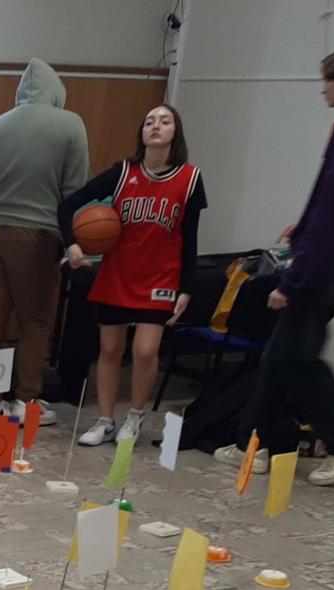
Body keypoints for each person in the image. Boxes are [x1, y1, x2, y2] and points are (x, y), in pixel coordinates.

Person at [215, 39, 334, 485]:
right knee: (279, 357)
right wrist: (309, 227)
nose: (323, 89)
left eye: (327, 80)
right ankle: (252, 446)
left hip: (320, 263)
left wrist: (292, 281)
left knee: (298, 359)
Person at [62, 104, 206, 448]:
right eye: (149, 121)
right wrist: (72, 244)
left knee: (144, 350)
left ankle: (136, 415)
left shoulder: (190, 179)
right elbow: (67, 205)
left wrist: (186, 288)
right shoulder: (122, 172)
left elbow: (190, 239)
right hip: (118, 273)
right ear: (142, 133)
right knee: (110, 349)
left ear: (175, 132)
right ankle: (106, 420)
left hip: (161, 278)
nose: (156, 126)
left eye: (165, 121)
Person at [0, 59, 89, 425]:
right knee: (34, 322)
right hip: (38, 236)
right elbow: (74, 191)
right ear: (57, 92)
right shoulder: (71, 124)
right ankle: (26, 401)